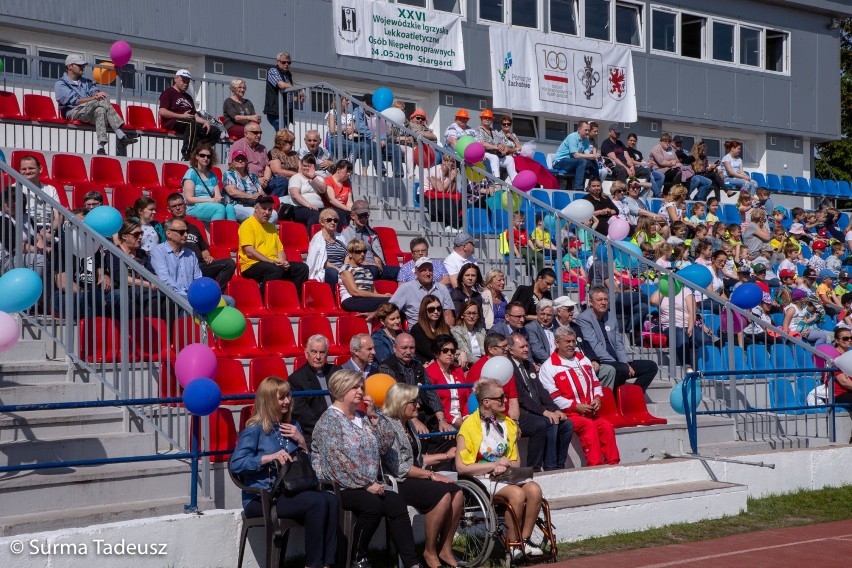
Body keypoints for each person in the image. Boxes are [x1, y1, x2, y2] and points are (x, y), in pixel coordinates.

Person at [311, 370, 421, 568]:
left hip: (369, 483)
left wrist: (374, 417)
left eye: (361, 387)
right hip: (340, 485)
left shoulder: (361, 417)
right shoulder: (329, 421)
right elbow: (336, 462)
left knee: (396, 502)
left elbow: (384, 444)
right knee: (373, 505)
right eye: (355, 387)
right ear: (340, 389)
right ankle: (358, 555)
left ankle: (411, 563)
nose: (360, 391)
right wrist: (367, 484)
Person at [230, 377, 339, 568]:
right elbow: (236, 464)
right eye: (281, 398)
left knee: (331, 499)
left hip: (291, 492)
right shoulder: (255, 430)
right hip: (263, 498)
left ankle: (327, 564)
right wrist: (268, 457)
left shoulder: (292, 426)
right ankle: (313, 564)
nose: (287, 401)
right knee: (318, 501)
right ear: (268, 400)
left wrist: (302, 442)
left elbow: (307, 463)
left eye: (288, 396)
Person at [455, 378, 545, 558]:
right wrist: (493, 465)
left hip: (506, 475)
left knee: (535, 490)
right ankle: (512, 545)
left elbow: (516, 461)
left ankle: (524, 539)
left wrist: (505, 465)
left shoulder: (508, 424)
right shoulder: (469, 426)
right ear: (486, 402)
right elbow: (461, 467)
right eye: (500, 398)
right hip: (481, 478)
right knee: (517, 494)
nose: (505, 401)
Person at [379, 383, 463, 568]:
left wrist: (445, 455)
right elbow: (400, 467)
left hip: (414, 475)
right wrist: (431, 475)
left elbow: (417, 459)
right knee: (441, 495)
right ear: (400, 403)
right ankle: (430, 552)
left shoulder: (408, 424)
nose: (418, 406)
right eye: (413, 402)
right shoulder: (388, 426)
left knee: (457, 493)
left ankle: (445, 549)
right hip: (398, 481)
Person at [538, 327, 620, 466]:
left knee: (606, 426)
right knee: (588, 426)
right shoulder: (549, 367)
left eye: (573, 341)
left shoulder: (583, 359)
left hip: (590, 412)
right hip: (569, 415)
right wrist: (576, 406)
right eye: (567, 341)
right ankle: (595, 465)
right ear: (557, 343)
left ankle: (614, 464)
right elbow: (554, 398)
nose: (571, 344)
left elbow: (595, 383)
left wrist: (598, 398)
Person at [507, 332, 573, 471]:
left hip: (536, 409)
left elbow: (541, 391)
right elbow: (522, 397)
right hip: (521, 412)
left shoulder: (528, 365)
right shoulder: (508, 368)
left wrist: (554, 409)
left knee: (567, 424)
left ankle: (560, 465)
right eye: (522, 347)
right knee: (547, 422)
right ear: (511, 350)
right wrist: (544, 412)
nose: (526, 349)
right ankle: (543, 468)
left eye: (527, 346)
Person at [575, 286, 657, 393]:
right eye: (599, 300)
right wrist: (621, 364)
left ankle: (633, 396)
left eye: (605, 299)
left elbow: (618, 343)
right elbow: (594, 346)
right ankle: (615, 398)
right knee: (621, 369)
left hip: (618, 362)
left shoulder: (611, 316)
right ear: (590, 302)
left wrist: (624, 361)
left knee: (651, 367)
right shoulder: (584, 319)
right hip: (601, 361)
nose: (603, 303)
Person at [55, 54, 137, 156]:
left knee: (100, 110)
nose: (83, 67)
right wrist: (95, 97)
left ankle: (101, 147)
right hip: (73, 112)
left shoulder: (87, 82)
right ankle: (120, 134)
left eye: (83, 65)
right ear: (69, 66)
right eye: (80, 65)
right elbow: (75, 101)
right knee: (100, 101)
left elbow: (94, 91)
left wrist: (96, 94)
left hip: (89, 111)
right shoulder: (61, 83)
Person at [377, 332, 454, 437]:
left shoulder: (418, 366)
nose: (408, 352)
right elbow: (395, 399)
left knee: (450, 436)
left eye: (412, 348)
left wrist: (441, 420)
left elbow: (431, 392)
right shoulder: (387, 367)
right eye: (404, 348)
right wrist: (414, 421)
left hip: (424, 414)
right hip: (401, 418)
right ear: (394, 348)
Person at [238, 195, 309, 299]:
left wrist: (283, 262)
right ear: (255, 208)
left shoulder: (271, 227)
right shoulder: (247, 224)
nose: (267, 212)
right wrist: (270, 261)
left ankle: (294, 300)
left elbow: (279, 249)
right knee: (274, 270)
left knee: (302, 268)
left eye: (270, 209)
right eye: (264, 208)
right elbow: (249, 251)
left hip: (273, 264)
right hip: (251, 265)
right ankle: (261, 299)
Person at [165, 193, 235, 292]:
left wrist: (207, 256)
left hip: (201, 266)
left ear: (185, 206)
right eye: (174, 206)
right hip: (183, 267)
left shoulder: (193, 228)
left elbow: (204, 248)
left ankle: (216, 293)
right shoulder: (168, 229)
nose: (178, 208)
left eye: (180, 205)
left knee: (229, 263)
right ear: (169, 210)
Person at [289, 334, 342, 445]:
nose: (318, 356)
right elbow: (304, 416)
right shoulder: (296, 379)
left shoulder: (337, 372)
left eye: (322, 352)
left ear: (327, 354)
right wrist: (328, 430)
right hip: (316, 434)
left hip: (342, 428)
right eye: (314, 352)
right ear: (306, 353)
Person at [159, 69, 221, 161]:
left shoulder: (188, 97)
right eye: (183, 81)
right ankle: (187, 155)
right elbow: (162, 112)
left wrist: (205, 121)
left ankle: (199, 151)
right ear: (175, 79)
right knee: (191, 124)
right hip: (173, 121)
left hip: (190, 121)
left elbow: (195, 116)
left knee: (215, 131)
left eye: (188, 82)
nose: (186, 84)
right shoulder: (169, 92)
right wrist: (181, 116)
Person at [149, 217, 203, 313]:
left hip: (191, 296)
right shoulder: (158, 251)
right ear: (168, 233)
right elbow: (164, 279)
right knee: (191, 304)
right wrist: (187, 296)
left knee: (229, 301)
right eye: (181, 232)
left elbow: (198, 278)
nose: (186, 235)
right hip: (172, 296)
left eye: (187, 231)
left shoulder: (191, 253)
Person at [341, 200, 399, 281]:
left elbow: (376, 253)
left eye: (366, 215)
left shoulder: (372, 233)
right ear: (352, 216)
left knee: (401, 272)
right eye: (360, 216)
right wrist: (370, 264)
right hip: (358, 267)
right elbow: (349, 257)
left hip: (375, 267)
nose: (364, 218)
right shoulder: (346, 234)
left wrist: (378, 264)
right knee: (373, 270)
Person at [390, 258, 455, 328]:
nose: (428, 273)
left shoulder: (442, 288)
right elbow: (390, 309)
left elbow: (448, 315)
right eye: (423, 270)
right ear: (416, 272)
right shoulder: (406, 288)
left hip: (439, 330)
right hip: (418, 330)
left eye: (430, 270)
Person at [426, 334, 471, 428]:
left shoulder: (458, 371)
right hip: (443, 421)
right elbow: (433, 402)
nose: (450, 353)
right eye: (445, 350)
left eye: (452, 351)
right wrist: (453, 419)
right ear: (436, 353)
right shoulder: (430, 372)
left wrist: (466, 416)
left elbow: (467, 396)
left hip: (464, 419)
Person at [182, 145, 236, 222]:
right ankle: (217, 233)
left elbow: (217, 195)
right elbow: (189, 199)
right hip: (193, 207)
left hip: (210, 204)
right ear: (197, 156)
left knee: (230, 207)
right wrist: (211, 200)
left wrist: (217, 199)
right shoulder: (191, 173)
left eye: (208, 156)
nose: (205, 158)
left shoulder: (212, 175)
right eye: (202, 155)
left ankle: (231, 233)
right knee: (219, 208)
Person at [339, 240, 392, 314]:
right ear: (350, 254)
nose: (362, 254)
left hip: (366, 299)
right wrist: (383, 296)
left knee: (396, 301)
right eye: (358, 252)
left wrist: (382, 296)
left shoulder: (366, 270)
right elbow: (355, 292)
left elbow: (373, 291)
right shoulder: (346, 269)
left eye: (364, 251)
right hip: (351, 300)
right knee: (390, 302)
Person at [223, 149, 276, 223]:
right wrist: (251, 196)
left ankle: (263, 233)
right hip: (237, 205)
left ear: (246, 162)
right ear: (233, 162)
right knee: (256, 214)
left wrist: (259, 195)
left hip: (255, 204)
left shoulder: (252, 176)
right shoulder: (229, 174)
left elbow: (262, 193)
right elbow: (232, 192)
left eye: (243, 159)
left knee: (274, 214)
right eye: (237, 159)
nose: (240, 161)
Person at [16, 155, 61, 234]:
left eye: (31, 168)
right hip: (27, 230)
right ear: (20, 171)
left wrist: (52, 229)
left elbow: (58, 215)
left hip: (49, 229)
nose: (27, 171)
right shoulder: (14, 189)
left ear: (40, 169)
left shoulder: (51, 189)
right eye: (24, 169)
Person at [306, 207, 348, 288]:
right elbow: (321, 260)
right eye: (329, 220)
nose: (333, 222)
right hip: (326, 270)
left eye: (335, 220)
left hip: (343, 269)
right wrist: (338, 269)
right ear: (322, 222)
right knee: (332, 273)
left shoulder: (340, 237)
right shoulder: (317, 239)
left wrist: (345, 268)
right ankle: (332, 297)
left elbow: (347, 255)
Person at [552, 121, 597, 190]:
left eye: (588, 130)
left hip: (572, 162)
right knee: (582, 161)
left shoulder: (586, 140)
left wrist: (595, 156)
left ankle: (594, 186)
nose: (587, 132)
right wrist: (592, 155)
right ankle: (579, 188)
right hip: (560, 162)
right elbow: (576, 155)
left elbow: (587, 155)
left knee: (592, 162)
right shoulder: (572, 137)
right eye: (586, 130)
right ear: (579, 129)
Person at [826, 330, 852, 442]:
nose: (849, 340)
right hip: (840, 393)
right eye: (845, 338)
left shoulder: (849, 356)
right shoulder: (834, 359)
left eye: (851, 338)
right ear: (837, 340)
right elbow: (844, 382)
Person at [477, 109, 517, 181]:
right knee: (494, 157)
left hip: (496, 155)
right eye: (485, 118)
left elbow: (501, 143)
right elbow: (482, 144)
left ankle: (515, 182)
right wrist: (496, 147)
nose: (487, 119)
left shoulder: (494, 131)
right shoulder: (478, 130)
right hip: (484, 155)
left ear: (492, 120)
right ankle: (496, 181)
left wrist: (503, 149)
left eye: (489, 118)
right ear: (481, 119)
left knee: (510, 159)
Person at [289, 155, 328, 229]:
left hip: (319, 208)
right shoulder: (296, 177)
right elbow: (295, 195)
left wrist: (313, 177)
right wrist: (309, 205)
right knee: (314, 214)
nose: (306, 168)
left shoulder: (318, 178)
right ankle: (311, 238)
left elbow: (323, 190)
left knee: (334, 214)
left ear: (314, 167)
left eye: (309, 166)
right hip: (299, 208)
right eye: (304, 166)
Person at [411, 295, 453, 363]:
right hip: (428, 365)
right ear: (424, 311)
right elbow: (430, 352)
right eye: (431, 309)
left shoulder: (445, 327)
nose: (436, 312)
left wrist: (461, 353)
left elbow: (453, 345)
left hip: (447, 362)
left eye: (438, 308)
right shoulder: (417, 329)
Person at [264, 52, 297, 130]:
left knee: (283, 137)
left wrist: (298, 95)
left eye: (289, 62)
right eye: (283, 62)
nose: (286, 64)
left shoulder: (288, 75)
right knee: (284, 135)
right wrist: (296, 89)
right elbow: (281, 85)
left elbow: (292, 94)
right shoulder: (273, 70)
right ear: (277, 62)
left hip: (286, 113)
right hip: (276, 112)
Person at [625, 133, 664, 197]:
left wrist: (648, 164)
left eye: (634, 141)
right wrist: (644, 164)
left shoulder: (638, 152)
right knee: (650, 175)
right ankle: (658, 194)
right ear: (627, 140)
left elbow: (642, 161)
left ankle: (656, 194)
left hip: (645, 167)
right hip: (637, 169)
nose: (632, 142)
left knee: (661, 176)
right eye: (631, 140)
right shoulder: (626, 151)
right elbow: (632, 161)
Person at [452, 300, 487, 370]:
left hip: (483, 364)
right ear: (462, 315)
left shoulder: (481, 331)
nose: (471, 316)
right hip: (468, 367)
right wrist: (485, 363)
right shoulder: (457, 331)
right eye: (468, 313)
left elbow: (486, 351)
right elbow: (467, 354)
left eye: (474, 313)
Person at [266, 129, 300, 198]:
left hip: (295, 180)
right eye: (289, 142)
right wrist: (296, 174)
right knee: (283, 181)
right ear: (281, 141)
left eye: (292, 142)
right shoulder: (274, 152)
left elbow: (300, 168)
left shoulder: (295, 154)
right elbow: (277, 171)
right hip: (279, 180)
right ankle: (273, 202)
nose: (291, 144)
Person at [525, 299, 557, 365]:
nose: (545, 318)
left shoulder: (556, 327)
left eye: (548, 315)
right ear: (537, 313)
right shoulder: (531, 328)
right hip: (543, 364)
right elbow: (537, 350)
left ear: (553, 315)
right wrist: (554, 362)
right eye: (542, 314)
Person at [323, 159, 355, 224]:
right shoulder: (328, 180)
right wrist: (347, 209)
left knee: (361, 214)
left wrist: (353, 210)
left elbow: (349, 202)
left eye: (349, 172)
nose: (348, 174)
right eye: (346, 171)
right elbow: (331, 200)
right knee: (341, 214)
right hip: (330, 208)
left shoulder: (347, 184)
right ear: (338, 170)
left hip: (344, 209)